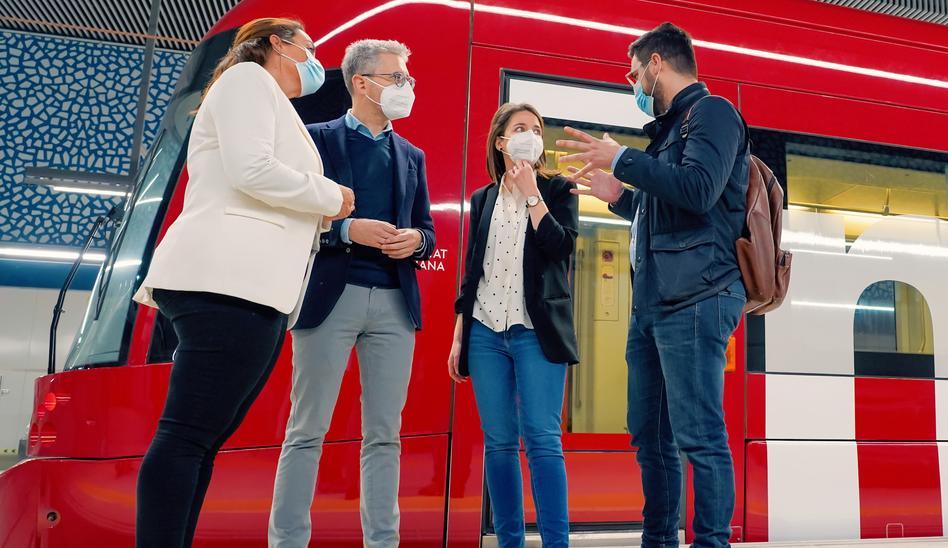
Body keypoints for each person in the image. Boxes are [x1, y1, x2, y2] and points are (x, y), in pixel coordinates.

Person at [131, 18, 355, 548]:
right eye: (309, 48)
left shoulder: (267, 97)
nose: (315, 61)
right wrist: (330, 197)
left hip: (249, 286)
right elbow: (251, 169)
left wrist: (319, 211)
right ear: (278, 43)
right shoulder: (247, 81)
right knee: (187, 434)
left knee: (200, 439)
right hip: (227, 282)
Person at [557, 22, 749, 548]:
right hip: (655, 303)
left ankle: (711, 542)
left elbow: (699, 190)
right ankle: (658, 539)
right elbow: (665, 210)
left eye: (634, 69)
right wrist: (620, 195)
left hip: (697, 295)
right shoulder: (667, 132)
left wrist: (623, 158)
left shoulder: (712, 113)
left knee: (699, 435)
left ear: (658, 63)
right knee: (649, 434)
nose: (632, 80)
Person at [268, 39, 435, 548]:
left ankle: (382, 542)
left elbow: (427, 228)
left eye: (407, 78)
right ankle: (287, 540)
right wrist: (345, 232)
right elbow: (291, 220)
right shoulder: (314, 141)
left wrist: (417, 240)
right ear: (360, 83)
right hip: (329, 298)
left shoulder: (412, 155)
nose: (406, 87)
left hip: (394, 304)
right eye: (396, 78)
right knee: (306, 430)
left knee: (385, 435)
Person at [447, 103, 579, 548]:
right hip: (485, 330)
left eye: (537, 129)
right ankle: (509, 542)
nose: (530, 135)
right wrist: (459, 331)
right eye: (520, 128)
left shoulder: (558, 190)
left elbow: (561, 249)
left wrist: (532, 195)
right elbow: (472, 271)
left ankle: (556, 543)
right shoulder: (482, 198)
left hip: (534, 331)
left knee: (543, 441)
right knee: (499, 444)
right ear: (500, 141)